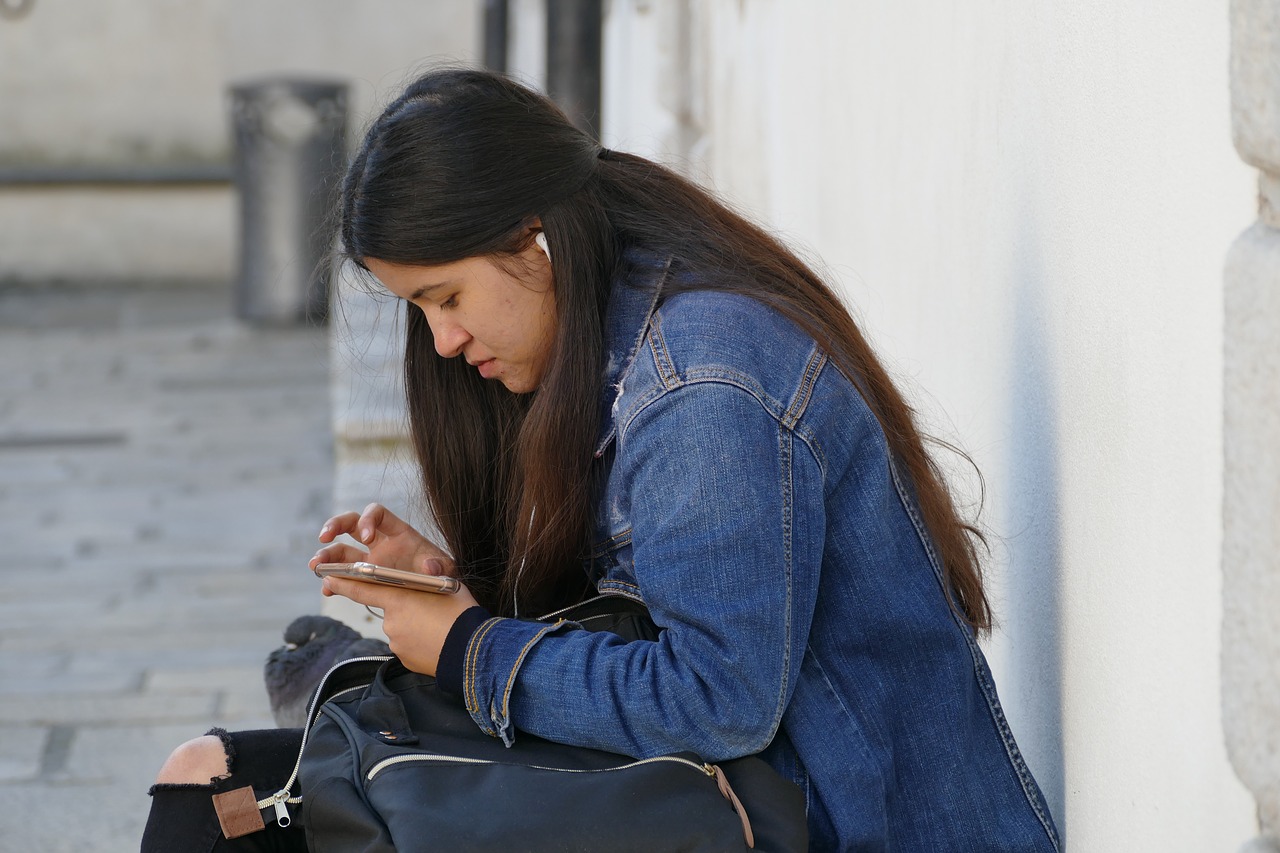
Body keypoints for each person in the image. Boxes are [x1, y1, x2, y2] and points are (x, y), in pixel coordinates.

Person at [142, 67, 1060, 852]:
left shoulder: (701, 385)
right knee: (217, 785)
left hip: (827, 819)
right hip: (728, 796)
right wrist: (453, 588)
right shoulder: (624, 328)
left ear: (533, 240)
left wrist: (467, 647)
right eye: (418, 309)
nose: (445, 339)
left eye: (447, 295)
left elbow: (714, 699)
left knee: (236, 804)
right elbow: (651, 619)